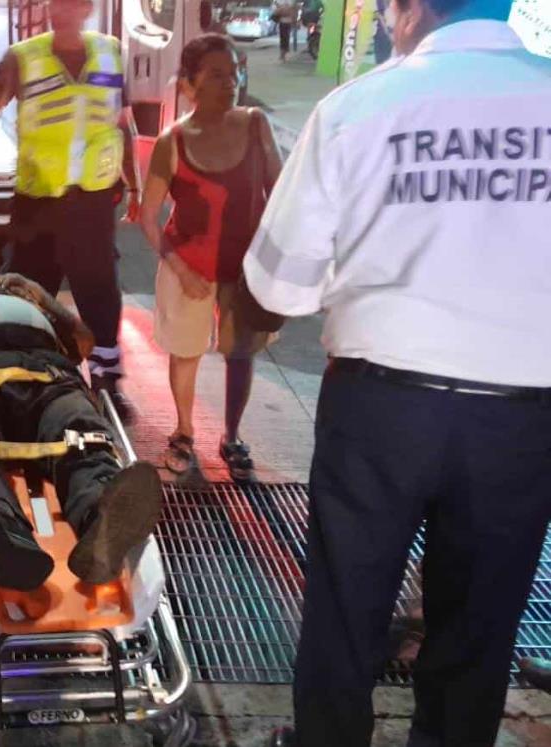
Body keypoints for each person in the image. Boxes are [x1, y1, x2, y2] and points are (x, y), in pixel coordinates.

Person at [243, 0, 551, 742]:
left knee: (347, 607)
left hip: (381, 410)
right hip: (524, 417)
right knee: (479, 627)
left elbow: (277, 284)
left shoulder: (360, 107)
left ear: (411, 11)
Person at [0, 0, 139, 424]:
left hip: (92, 198)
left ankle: (107, 383)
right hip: (39, 202)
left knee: (100, 291)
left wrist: (136, 180)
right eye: (54, 2)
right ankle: (20, 376)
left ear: (87, 7)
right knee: (27, 294)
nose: (60, 9)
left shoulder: (110, 51)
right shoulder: (23, 57)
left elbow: (122, 121)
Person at [0, 273, 162, 591]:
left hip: (48, 374)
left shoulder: (39, 306)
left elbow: (84, 343)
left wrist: (41, 295)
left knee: (81, 432)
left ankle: (100, 521)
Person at [138, 34, 283, 484]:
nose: (231, 81)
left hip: (245, 273)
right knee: (186, 353)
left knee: (242, 354)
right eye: (217, 74)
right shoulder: (172, 142)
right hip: (190, 270)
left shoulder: (257, 124)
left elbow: (279, 194)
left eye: (235, 71)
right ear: (188, 85)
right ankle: (183, 433)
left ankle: (233, 436)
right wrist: (181, 271)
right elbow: (148, 218)